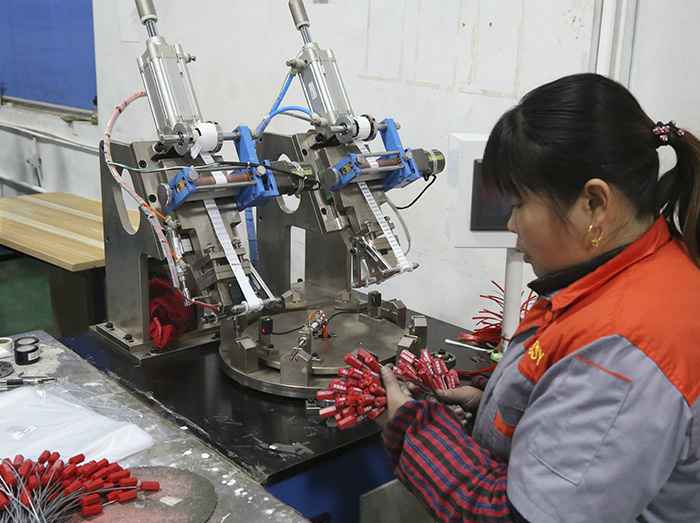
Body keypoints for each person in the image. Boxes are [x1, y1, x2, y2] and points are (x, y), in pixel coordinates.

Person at [380, 73, 700, 523]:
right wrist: (494, 408)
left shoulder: (628, 351)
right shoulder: (628, 270)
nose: (510, 224)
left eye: (518, 205)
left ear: (594, 204)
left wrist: (412, 429)